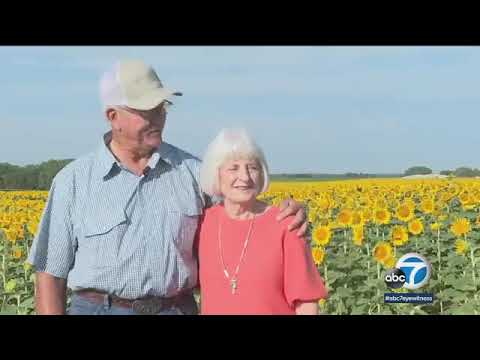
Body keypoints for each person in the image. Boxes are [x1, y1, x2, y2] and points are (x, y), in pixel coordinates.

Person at [27, 59, 308, 315]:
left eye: (161, 108)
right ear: (113, 116)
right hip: (100, 309)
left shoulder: (194, 173)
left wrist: (285, 214)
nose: (158, 117)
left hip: (174, 309)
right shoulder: (73, 182)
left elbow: (242, 218)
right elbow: (50, 275)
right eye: (146, 110)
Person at [197, 128, 327, 315]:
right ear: (216, 174)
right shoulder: (204, 223)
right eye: (233, 168)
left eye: (252, 167)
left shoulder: (285, 224)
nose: (245, 177)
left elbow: (306, 302)